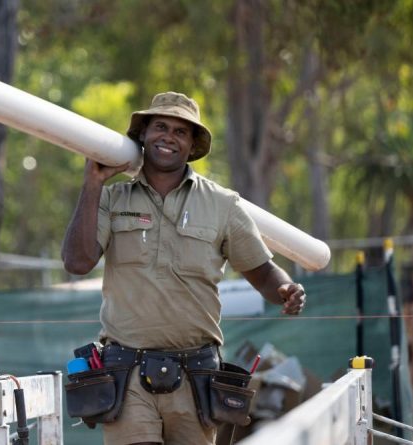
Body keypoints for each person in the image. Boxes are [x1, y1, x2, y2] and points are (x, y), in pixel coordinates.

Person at [61, 91, 306, 445]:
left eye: (180, 132)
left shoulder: (223, 205)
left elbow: (263, 271)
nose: (168, 137)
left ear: (192, 145)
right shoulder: (111, 199)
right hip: (127, 374)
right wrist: (93, 183)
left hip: (196, 376)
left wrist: (285, 289)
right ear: (143, 134)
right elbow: (77, 262)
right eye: (160, 126)